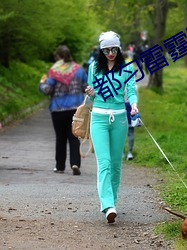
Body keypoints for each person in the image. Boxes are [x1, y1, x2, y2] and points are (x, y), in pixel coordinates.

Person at [85, 31, 138, 223]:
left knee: (116, 164)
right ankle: (107, 204)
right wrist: (90, 92)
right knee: (104, 163)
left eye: (113, 49)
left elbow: (131, 90)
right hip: (98, 117)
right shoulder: (94, 68)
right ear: (101, 50)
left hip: (120, 119)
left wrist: (133, 104)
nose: (110, 53)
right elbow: (91, 96)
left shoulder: (126, 68)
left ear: (119, 48)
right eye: (106, 50)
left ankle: (112, 201)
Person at [39, 45, 88, 175]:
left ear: (58, 57)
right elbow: (86, 87)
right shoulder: (79, 70)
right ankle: (75, 163)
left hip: (58, 109)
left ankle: (60, 166)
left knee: (60, 138)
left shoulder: (54, 71)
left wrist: (42, 83)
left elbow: (47, 90)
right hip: (75, 109)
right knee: (74, 137)